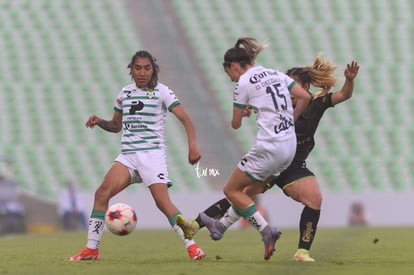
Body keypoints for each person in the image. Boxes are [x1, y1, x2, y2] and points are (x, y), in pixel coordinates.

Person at [177, 55, 360, 262]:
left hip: (294, 165)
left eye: (294, 87)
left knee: (314, 199)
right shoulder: (279, 103)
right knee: (240, 195)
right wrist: (247, 109)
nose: (289, 92)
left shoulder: (315, 103)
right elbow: (255, 107)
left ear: (306, 86)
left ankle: (302, 252)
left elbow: (344, 94)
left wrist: (350, 80)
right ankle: (198, 224)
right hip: (275, 159)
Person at [177, 37, 311, 261]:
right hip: (289, 147)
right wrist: (290, 118)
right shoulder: (276, 73)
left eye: (228, 72)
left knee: (231, 191)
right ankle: (219, 227)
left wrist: (245, 109)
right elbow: (305, 96)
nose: (229, 78)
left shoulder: (244, 83)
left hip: (269, 147)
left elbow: (236, 123)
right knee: (247, 193)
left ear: (234, 66)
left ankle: (266, 230)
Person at [66, 50, 205, 261]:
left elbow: (186, 119)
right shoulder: (124, 94)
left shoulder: (162, 92)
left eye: (146, 68)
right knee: (102, 193)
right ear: (131, 70)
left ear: (153, 69)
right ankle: (92, 249)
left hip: (152, 154)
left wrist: (192, 146)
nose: (142, 72)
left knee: (162, 202)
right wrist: (100, 121)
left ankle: (192, 247)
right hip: (129, 155)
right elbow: (116, 126)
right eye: (137, 68)